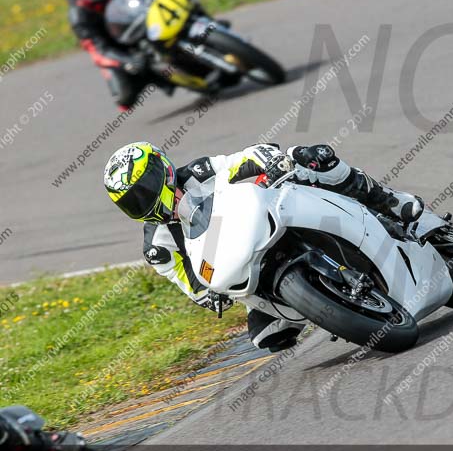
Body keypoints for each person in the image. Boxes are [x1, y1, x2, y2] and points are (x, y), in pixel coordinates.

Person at [103, 142, 424, 352]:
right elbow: (189, 282)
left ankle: (389, 201)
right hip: (242, 261)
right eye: (133, 201)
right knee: (267, 335)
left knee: (310, 157)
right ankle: (334, 302)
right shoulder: (156, 247)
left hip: (263, 215)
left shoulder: (198, 173)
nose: (144, 200)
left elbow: (241, 161)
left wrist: (268, 161)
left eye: (144, 189)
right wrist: (208, 294)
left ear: (162, 168)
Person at [67, 0, 192, 110]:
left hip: (142, 15)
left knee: (181, 0)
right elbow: (98, 52)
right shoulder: (79, 16)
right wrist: (127, 61)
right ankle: (172, 77)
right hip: (118, 46)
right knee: (124, 98)